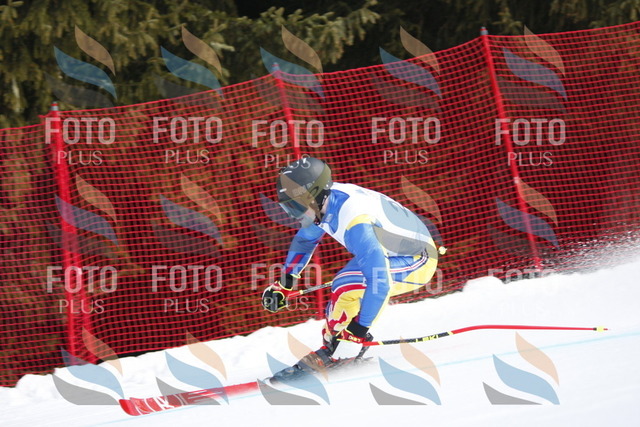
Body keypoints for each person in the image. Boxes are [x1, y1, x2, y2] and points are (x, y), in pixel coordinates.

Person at [261, 157, 439, 377]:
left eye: (296, 206)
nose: (293, 215)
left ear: (315, 195)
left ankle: (340, 351)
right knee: (343, 285)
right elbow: (305, 240)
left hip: (418, 260)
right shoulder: (324, 203)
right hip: (390, 252)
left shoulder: (355, 222)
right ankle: (335, 347)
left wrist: (358, 331)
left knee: (346, 284)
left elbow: (380, 283)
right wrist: (285, 283)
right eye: (288, 207)